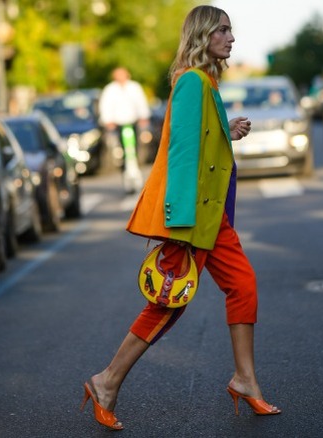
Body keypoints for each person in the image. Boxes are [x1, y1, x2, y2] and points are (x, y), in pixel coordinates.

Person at [80, 6, 279, 431]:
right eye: (222, 30)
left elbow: (202, 138)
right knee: (168, 304)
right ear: (204, 35)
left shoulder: (205, 83)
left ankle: (245, 379)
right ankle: (107, 381)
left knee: (243, 286)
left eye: (230, 29)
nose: (231, 37)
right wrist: (179, 225)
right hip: (192, 222)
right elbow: (183, 154)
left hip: (213, 220)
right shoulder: (192, 82)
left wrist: (229, 128)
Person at [99, 67, 151, 167]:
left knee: (135, 143)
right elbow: (106, 106)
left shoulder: (134, 87)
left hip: (133, 121)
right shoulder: (110, 89)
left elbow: (141, 102)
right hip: (118, 123)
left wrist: (143, 116)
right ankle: (122, 163)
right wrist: (108, 120)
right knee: (119, 144)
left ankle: (136, 161)